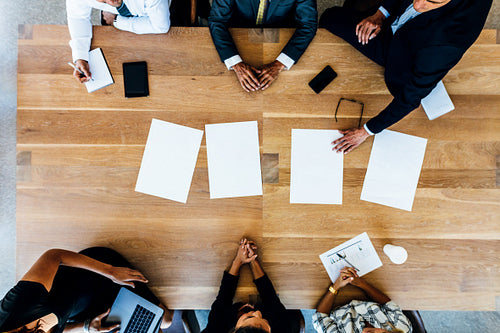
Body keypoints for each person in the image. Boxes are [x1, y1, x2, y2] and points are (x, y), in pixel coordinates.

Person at [319, 0, 493, 154]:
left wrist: (366, 131)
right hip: (392, 16)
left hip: (400, 53)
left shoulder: (445, 45)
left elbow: (409, 99)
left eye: (432, 1)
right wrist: (380, 13)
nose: (417, 4)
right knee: (330, 17)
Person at [0, 247, 173, 333]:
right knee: (151, 326)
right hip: (89, 310)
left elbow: (53, 256)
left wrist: (111, 271)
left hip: (98, 276)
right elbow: (58, 327)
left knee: (165, 320)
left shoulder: (14, 309)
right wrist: (86, 326)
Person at [208, 0, 318, 92]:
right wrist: (235, 63)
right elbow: (217, 20)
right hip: (239, 33)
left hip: (281, 35)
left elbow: (308, 24)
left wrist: (281, 62)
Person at [67, 0, 171, 83]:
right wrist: (81, 57)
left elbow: (160, 27)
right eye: (103, 0)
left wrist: (117, 21)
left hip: (152, 14)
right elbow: (77, 17)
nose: (112, 2)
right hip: (114, 16)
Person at [202, 238, 293, 333]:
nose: (257, 313)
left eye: (249, 317)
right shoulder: (282, 329)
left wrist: (238, 260)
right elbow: (270, 298)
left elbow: (224, 298)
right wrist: (252, 259)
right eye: (265, 322)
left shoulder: (215, 329)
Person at [313, 267, 412, 333]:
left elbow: (320, 317)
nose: (366, 332)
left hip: (334, 301)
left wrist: (335, 287)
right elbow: (388, 304)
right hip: (366, 291)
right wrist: (361, 284)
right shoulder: (401, 328)